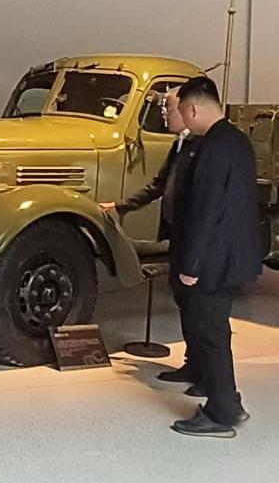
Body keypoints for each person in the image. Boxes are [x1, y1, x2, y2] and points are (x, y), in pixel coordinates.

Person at [170, 76, 260, 439]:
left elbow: (206, 210)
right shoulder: (235, 140)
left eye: (181, 111)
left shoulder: (212, 147)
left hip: (212, 259)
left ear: (193, 108)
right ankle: (228, 402)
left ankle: (223, 413)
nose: (182, 119)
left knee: (211, 336)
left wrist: (191, 265)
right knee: (215, 332)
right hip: (230, 254)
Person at [99, 88, 201, 388]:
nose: (163, 113)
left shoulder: (202, 147)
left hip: (194, 237)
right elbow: (158, 185)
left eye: (168, 107)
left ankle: (206, 373)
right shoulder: (180, 144)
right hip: (179, 235)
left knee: (201, 310)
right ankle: (193, 364)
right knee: (186, 304)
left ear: (187, 109)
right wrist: (121, 206)